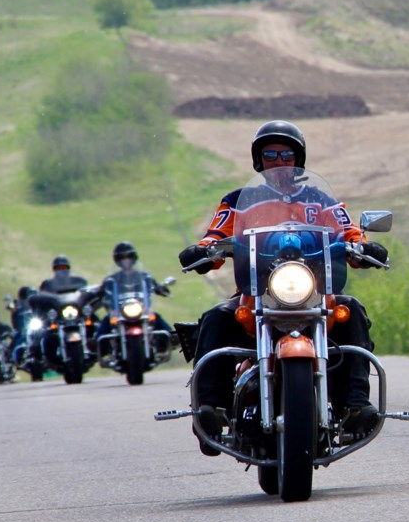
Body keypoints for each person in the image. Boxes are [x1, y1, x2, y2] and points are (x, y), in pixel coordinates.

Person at [178, 120, 389, 455]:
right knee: (217, 317)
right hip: (257, 292)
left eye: (286, 154)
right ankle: (209, 409)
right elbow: (217, 234)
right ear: (259, 160)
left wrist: (362, 246)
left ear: (298, 158)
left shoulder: (320, 199)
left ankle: (355, 405)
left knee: (352, 312)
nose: (279, 160)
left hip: (313, 290)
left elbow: (347, 229)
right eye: (271, 154)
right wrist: (205, 250)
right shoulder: (238, 201)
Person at [98, 242, 174, 357]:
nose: (126, 260)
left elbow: (155, 287)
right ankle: (99, 348)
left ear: (134, 258)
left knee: (159, 322)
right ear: (117, 260)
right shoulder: (111, 280)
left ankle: (170, 340)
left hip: (141, 310)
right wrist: (95, 295)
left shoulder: (145, 277)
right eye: (122, 257)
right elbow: (102, 292)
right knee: (103, 327)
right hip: (119, 313)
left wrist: (161, 288)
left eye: (128, 256)